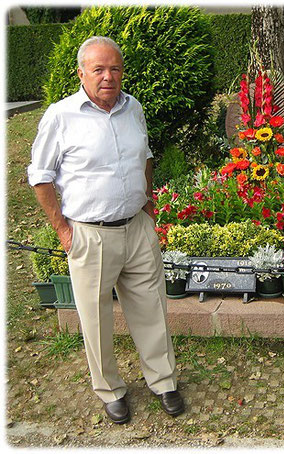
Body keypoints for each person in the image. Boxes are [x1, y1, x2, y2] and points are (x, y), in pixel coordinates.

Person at [28, 36, 184, 424]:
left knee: (152, 309)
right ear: (81, 72)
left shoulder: (133, 108)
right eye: (98, 69)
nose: (108, 77)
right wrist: (63, 230)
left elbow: (145, 155)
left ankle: (163, 381)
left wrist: (147, 204)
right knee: (95, 319)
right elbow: (40, 176)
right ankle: (110, 390)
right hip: (90, 235)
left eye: (114, 68)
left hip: (137, 229)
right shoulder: (61, 116)